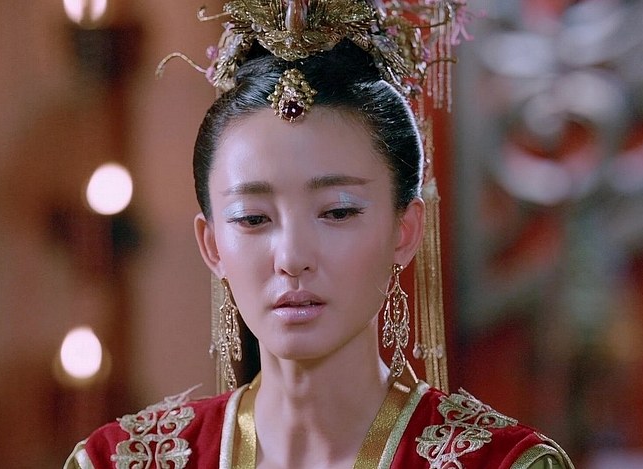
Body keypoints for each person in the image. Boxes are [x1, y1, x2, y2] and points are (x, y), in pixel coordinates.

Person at [65, 1, 574, 467]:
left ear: (404, 230)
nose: (292, 257)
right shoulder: (123, 461)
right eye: (253, 219)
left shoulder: (504, 464)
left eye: (337, 211)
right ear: (212, 244)